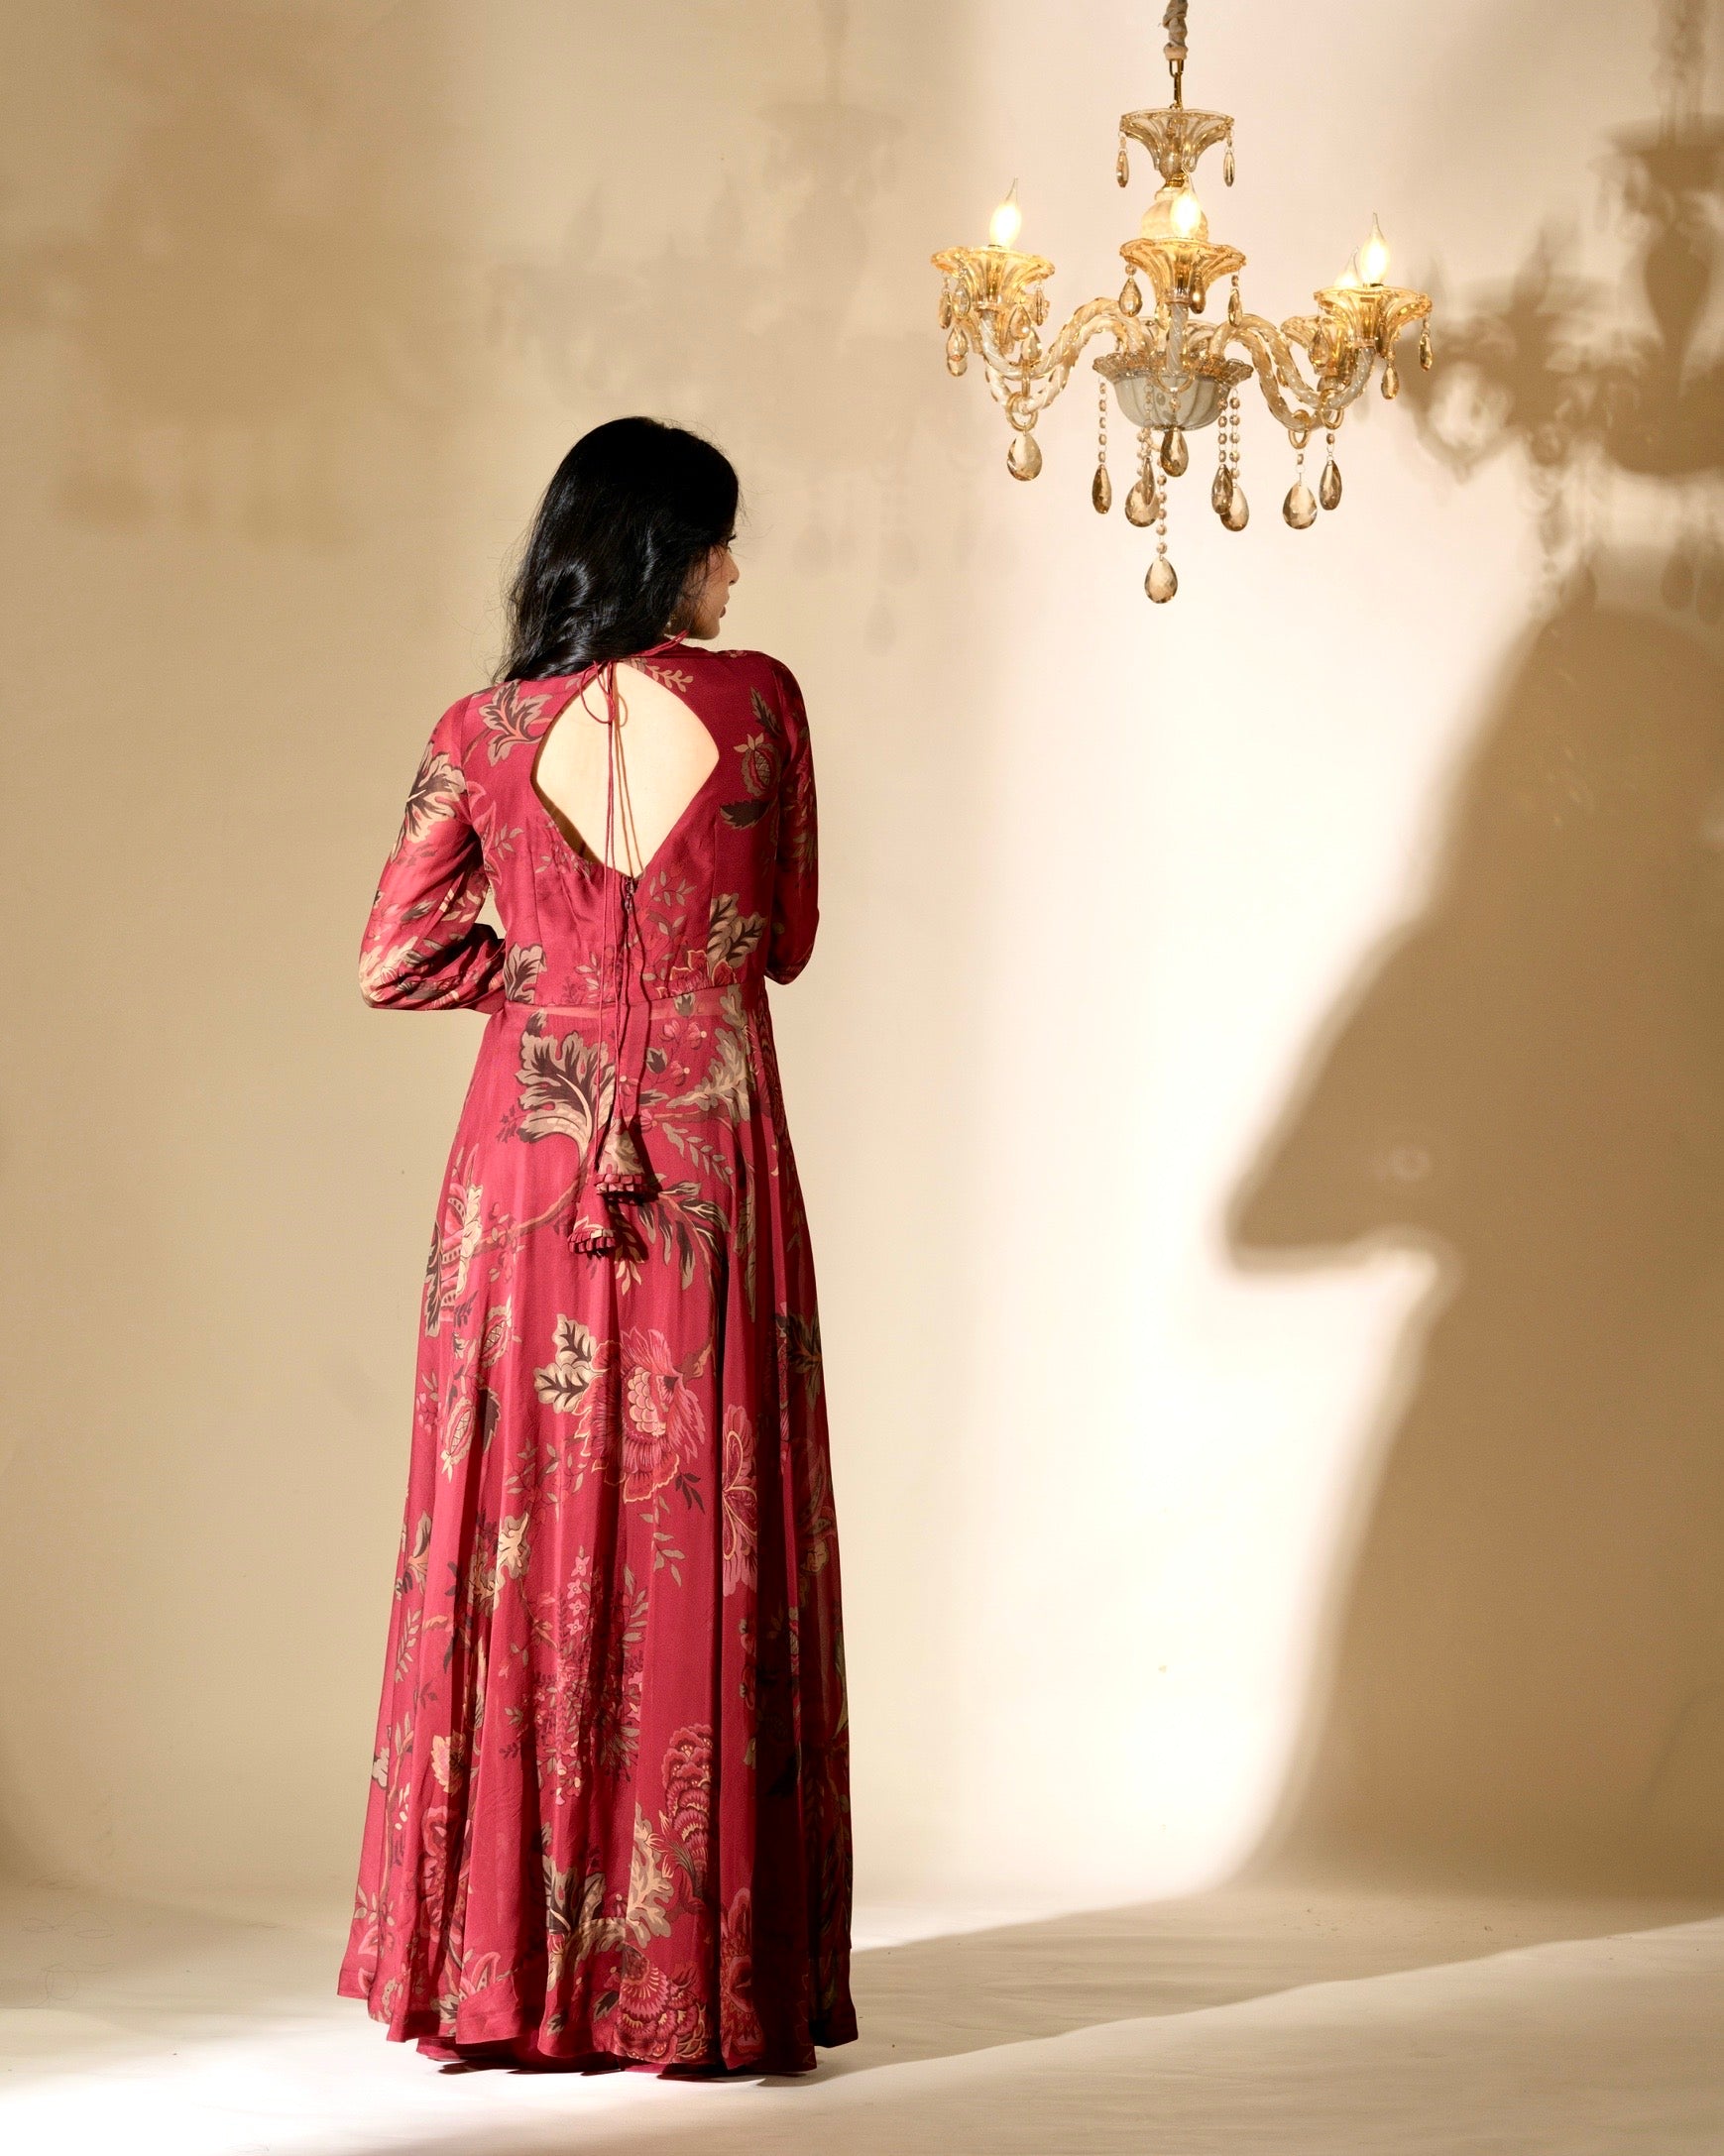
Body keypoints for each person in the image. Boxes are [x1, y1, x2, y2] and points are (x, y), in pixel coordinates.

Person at [336, 416, 856, 2077]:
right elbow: (785, 934)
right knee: (710, 1524)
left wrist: (557, 985)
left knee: (519, 1528)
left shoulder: (480, 731)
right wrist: (656, 982)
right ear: (666, 548)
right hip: (705, 1157)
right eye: (717, 539)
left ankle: (504, 1986)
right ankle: (699, 1983)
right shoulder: (762, 702)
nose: (731, 571)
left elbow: (394, 956)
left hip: (528, 1176)